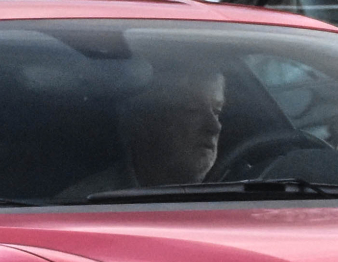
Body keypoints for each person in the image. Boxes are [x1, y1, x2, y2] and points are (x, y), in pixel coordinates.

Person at [63, 62, 226, 197]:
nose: (215, 127)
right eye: (192, 110)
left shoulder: (236, 196)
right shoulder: (85, 205)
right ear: (146, 121)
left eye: (217, 111)